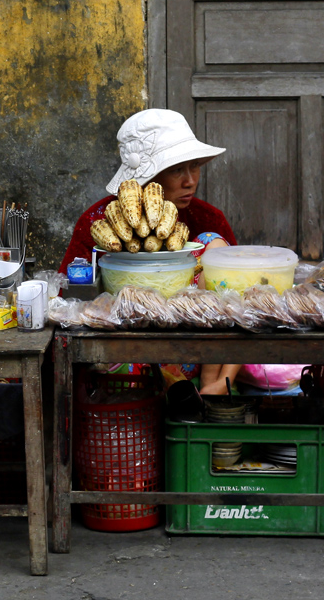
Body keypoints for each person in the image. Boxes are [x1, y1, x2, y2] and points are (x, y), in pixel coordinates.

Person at [60, 108, 241, 395]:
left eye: (194, 166)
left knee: (214, 243)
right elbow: (69, 295)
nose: (190, 180)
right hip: (127, 346)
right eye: (176, 170)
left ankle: (213, 386)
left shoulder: (208, 219)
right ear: (148, 177)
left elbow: (236, 298)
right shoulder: (98, 221)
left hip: (193, 344)